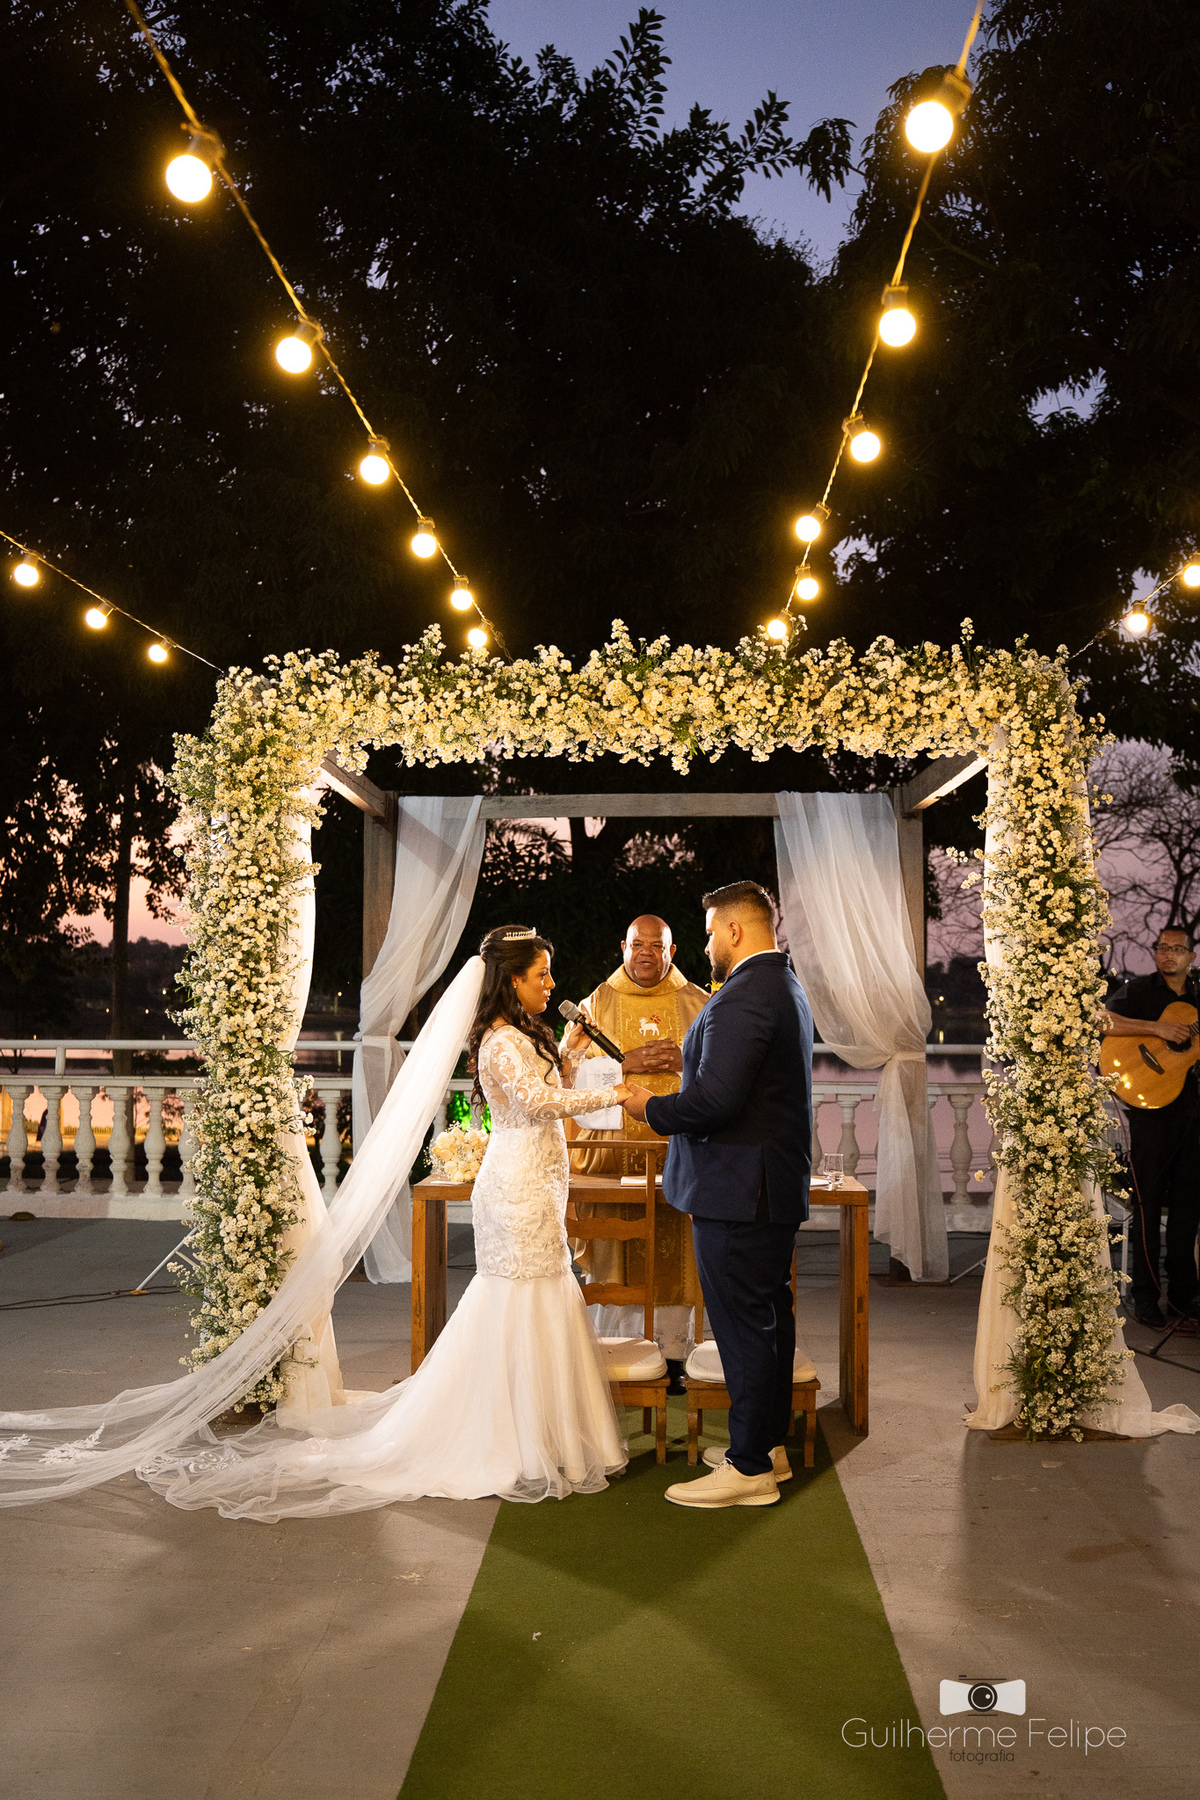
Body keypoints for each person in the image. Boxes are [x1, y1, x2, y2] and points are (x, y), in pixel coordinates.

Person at [136, 926, 634, 1517]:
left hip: (542, 1182)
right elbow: (535, 1103)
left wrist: (570, 1053)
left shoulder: (527, 1033)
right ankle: (508, 1439)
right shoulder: (500, 1041)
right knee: (517, 1295)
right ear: (511, 980)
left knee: (544, 1290)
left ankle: (546, 1435)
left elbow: (552, 1088)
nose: (551, 984)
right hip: (517, 1187)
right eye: (541, 974)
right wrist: (616, 1094)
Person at [621, 881, 813, 1508]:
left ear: (734, 930)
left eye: (708, 934)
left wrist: (652, 1108)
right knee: (769, 1320)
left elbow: (715, 1101)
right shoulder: (783, 984)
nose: (705, 946)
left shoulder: (744, 994)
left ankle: (748, 1467)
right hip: (764, 1186)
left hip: (737, 1190)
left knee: (743, 1328)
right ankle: (767, 1445)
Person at [563, 915, 710, 1385]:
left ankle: (679, 1356)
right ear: (623, 948)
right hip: (614, 1158)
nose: (647, 952)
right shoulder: (596, 1004)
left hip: (680, 1155)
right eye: (638, 944)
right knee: (618, 1251)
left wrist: (687, 1060)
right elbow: (567, 1076)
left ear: (672, 951)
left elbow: (728, 1071)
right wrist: (625, 1063)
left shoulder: (700, 1003)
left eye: (657, 945)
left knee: (681, 1253)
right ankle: (618, 1353)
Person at [1105, 926, 1200, 1331]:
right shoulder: (1140, 991)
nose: (1168, 955)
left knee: (1188, 1209)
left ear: (1191, 956)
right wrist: (1157, 1029)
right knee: (1146, 1205)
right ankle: (1145, 1296)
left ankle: (1183, 1296)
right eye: (1162, 948)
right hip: (1150, 1115)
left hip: (1193, 1116)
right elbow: (1102, 1020)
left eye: (1177, 949)